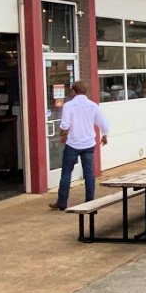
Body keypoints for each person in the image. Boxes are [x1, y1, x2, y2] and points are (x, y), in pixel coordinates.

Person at [49, 80, 109, 211]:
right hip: (88, 143)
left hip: (73, 143)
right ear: (86, 91)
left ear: (73, 91)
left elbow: (65, 125)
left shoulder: (69, 106)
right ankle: (89, 200)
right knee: (89, 173)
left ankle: (62, 201)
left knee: (66, 173)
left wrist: (62, 135)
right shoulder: (93, 106)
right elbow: (103, 123)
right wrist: (104, 135)